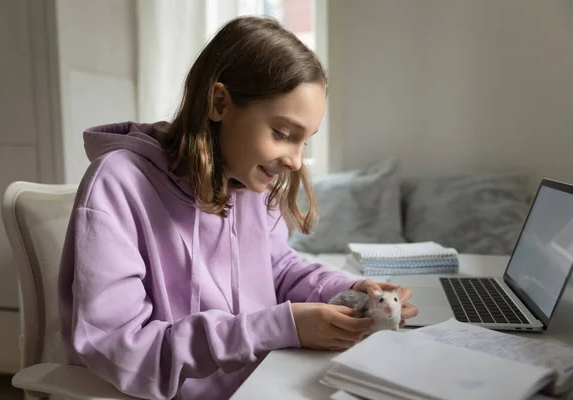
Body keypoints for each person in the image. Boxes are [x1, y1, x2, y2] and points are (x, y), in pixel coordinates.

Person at [58, 15, 418, 400]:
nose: (295, 161)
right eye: (282, 134)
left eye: (304, 142)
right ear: (218, 103)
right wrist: (280, 327)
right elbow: (121, 347)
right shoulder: (118, 184)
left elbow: (278, 267)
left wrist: (350, 290)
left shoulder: (248, 180)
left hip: (261, 382)